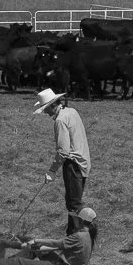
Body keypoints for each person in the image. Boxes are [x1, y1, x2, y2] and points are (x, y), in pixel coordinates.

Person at [34, 87, 91, 235]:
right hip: (83, 160)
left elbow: (63, 151)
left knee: (73, 203)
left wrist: (52, 170)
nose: (46, 112)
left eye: (46, 108)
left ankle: (75, 235)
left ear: (53, 105)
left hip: (73, 165)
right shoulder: (71, 112)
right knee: (74, 200)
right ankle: (77, 232)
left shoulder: (60, 120)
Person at [0, 206, 98, 265]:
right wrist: (38, 247)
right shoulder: (88, 235)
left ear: (81, 220)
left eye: (76, 218)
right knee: (36, 249)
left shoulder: (79, 236)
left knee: (20, 262)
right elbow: (58, 247)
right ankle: (6, 263)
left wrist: (36, 241)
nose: (74, 220)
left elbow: (56, 244)